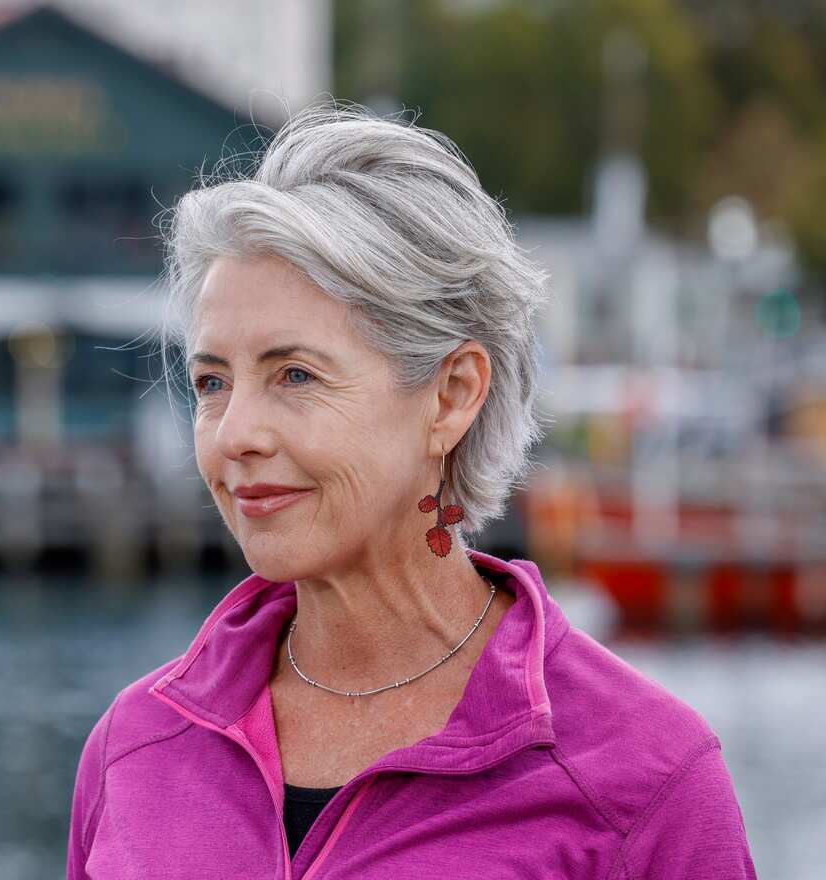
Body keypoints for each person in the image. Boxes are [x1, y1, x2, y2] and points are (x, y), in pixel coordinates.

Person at [67, 101, 756, 879]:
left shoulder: (644, 781)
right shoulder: (136, 744)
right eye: (211, 381)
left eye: (295, 374)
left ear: (452, 395)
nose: (234, 434)